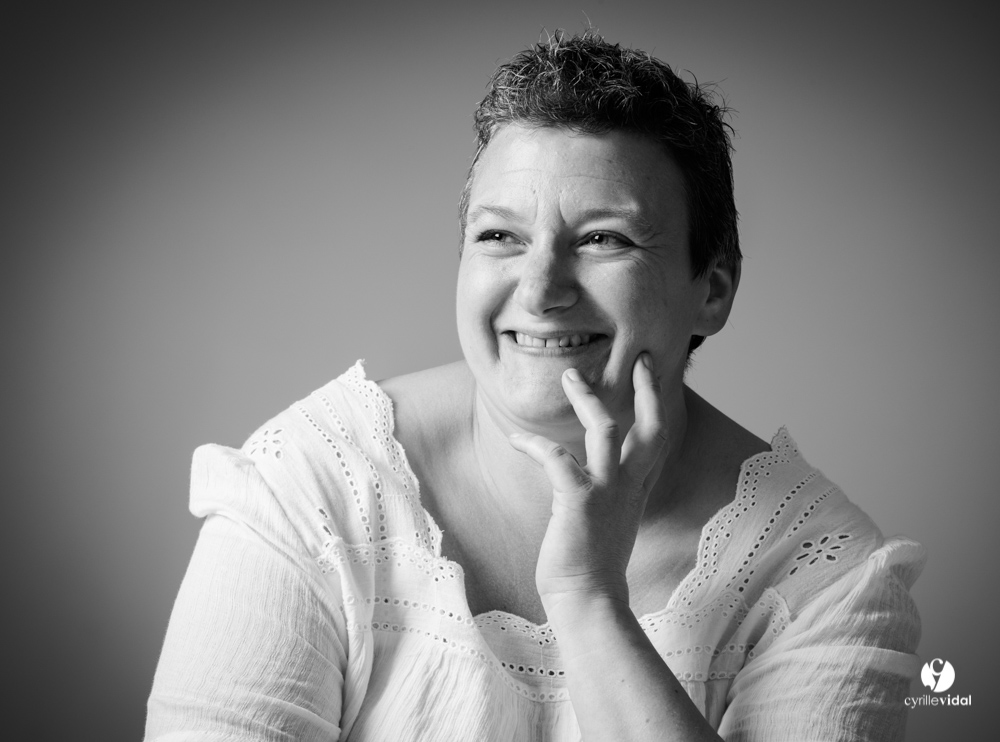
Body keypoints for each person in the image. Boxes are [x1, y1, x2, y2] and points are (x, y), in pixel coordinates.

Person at [145, 31, 924, 741]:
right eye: (500, 236)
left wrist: (588, 599)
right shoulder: (313, 485)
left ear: (712, 291)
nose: (541, 289)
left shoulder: (823, 578)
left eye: (604, 238)